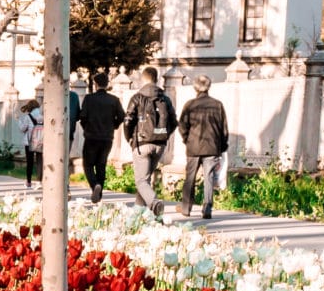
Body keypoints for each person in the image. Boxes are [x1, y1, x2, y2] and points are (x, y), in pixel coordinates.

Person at [123, 66, 176, 218]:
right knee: (145, 179)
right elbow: (173, 121)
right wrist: (164, 136)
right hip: (160, 144)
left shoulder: (137, 97)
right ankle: (138, 213)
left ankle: (154, 203)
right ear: (156, 78)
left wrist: (130, 138)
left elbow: (128, 120)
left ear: (143, 79)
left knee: (141, 180)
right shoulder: (165, 99)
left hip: (142, 143)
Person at [176, 74, 229, 219]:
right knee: (209, 177)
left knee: (190, 178)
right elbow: (224, 129)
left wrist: (187, 139)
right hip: (212, 147)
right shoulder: (218, 105)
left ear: (195, 87)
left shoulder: (190, 105)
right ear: (209, 87)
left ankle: (186, 207)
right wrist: (222, 146)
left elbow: (182, 126)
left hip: (193, 147)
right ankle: (207, 208)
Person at [78, 71, 125, 202]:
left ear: (96, 84)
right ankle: (99, 195)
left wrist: (86, 128)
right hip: (107, 137)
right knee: (101, 165)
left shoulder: (89, 99)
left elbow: (83, 117)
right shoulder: (114, 100)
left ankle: (95, 185)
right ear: (107, 84)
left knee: (87, 165)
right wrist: (113, 126)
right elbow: (122, 116)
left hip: (91, 137)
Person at [20, 99, 42, 186]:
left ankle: (29, 182)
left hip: (29, 142)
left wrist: (19, 122)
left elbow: (22, 129)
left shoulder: (27, 117)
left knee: (30, 162)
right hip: (40, 141)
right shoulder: (42, 117)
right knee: (40, 161)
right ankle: (40, 181)